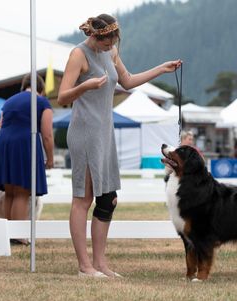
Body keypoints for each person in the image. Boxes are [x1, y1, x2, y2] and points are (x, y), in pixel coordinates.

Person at [57, 13, 182, 278]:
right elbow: (63, 96)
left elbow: (127, 81)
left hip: (105, 133)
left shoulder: (111, 51)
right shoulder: (78, 55)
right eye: (105, 43)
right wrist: (86, 85)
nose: (109, 47)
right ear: (95, 36)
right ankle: (84, 266)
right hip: (85, 132)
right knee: (83, 198)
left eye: (112, 43)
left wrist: (161, 69)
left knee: (108, 199)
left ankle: (101, 264)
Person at [0, 74, 54, 245]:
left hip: (3, 143)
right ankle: (18, 236)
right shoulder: (42, 102)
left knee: (9, 191)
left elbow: (1, 123)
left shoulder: (9, 101)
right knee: (22, 192)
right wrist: (50, 159)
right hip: (23, 143)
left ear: (22, 87)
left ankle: (9, 234)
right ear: (42, 90)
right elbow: (47, 134)